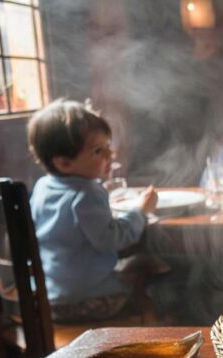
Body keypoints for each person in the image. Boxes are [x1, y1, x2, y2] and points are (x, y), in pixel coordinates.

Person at [28, 99, 157, 322]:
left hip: (48, 299)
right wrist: (140, 211)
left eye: (108, 146)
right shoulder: (87, 193)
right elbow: (112, 239)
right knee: (153, 270)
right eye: (99, 150)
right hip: (90, 302)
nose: (111, 155)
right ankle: (155, 327)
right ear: (64, 163)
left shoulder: (43, 186)